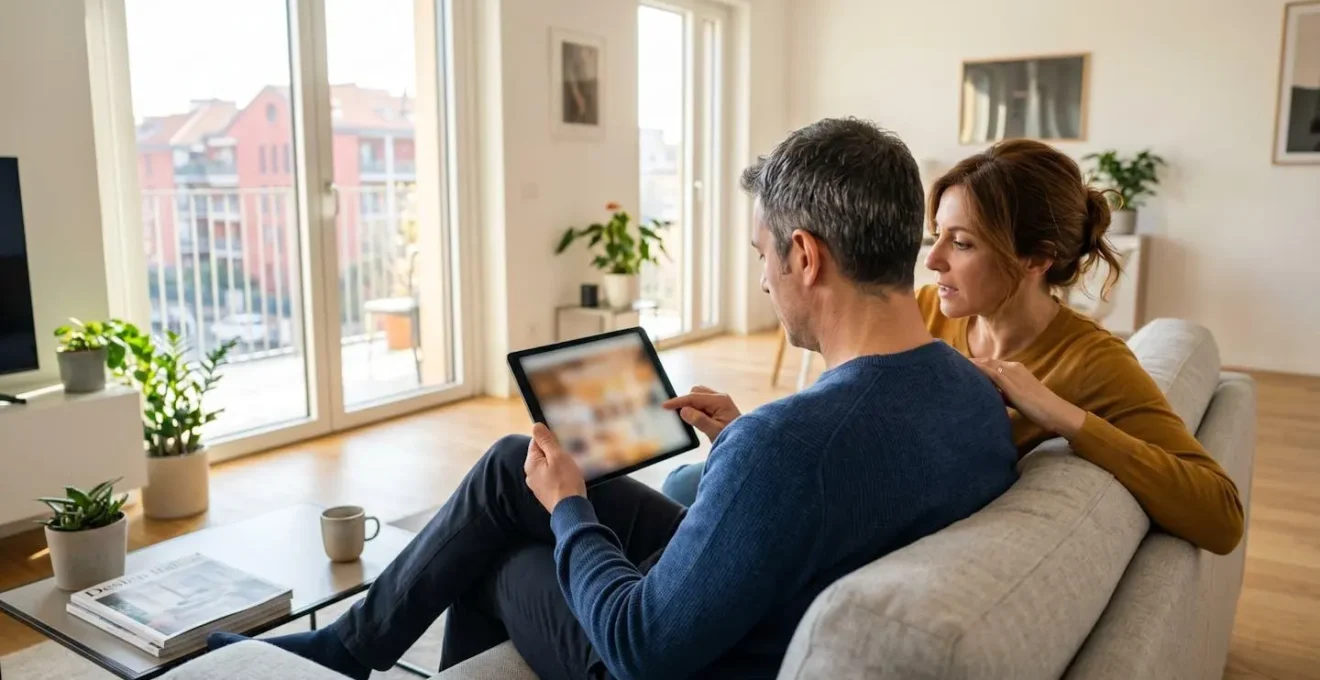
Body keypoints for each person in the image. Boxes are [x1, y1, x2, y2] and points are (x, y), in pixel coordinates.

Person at [207, 118, 1020, 679]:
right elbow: (844, 476)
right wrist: (741, 444)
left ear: (805, 257)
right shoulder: (973, 390)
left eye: (762, 254)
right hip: (767, 589)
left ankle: (350, 651)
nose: (763, 280)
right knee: (510, 466)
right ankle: (347, 647)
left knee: (504, 555)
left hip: (681, 654)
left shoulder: (790, 444)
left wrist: (570, 508)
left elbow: (639, 648)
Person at [662, 138, 1244, 556]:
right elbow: (840, 425)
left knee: (682, 490)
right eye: (936, 234)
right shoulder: (922, 311)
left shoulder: (1093, 362)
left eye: (961, 243)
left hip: (886, 521)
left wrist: (1062, 415)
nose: (934, 259)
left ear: (1036, 259)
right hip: (857, 489)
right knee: (689, 482)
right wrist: (748, 435)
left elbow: (1220, 515)